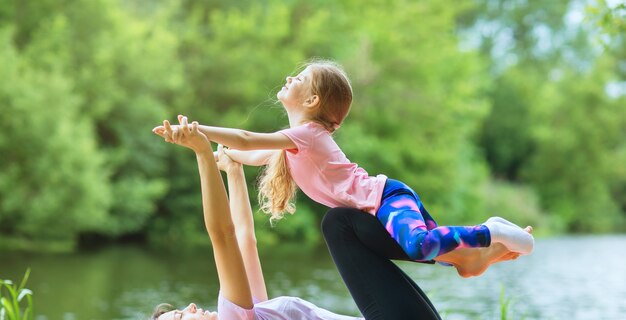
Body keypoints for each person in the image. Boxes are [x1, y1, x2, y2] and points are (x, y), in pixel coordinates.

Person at [133, 119, 528, 320]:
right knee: (339, 224)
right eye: (181, 318)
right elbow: (219, 235)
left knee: (341, 222)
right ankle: (456, 253)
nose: (190, 307)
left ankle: (459, 256)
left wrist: (234, 173)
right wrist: (203, 154)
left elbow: (242, 238)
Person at [152, 59, 534, 266]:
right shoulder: (295, 143)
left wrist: (199, 129)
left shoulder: (309, 135)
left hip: (388, 199)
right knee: (457, 261)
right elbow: (250, 153)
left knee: (419, 246)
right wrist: (213, 153)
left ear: (313, 101)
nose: (288, 76)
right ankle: (486, 255)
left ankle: (490, 230)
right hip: (376, 210)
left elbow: (249, 138)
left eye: (299, 77)